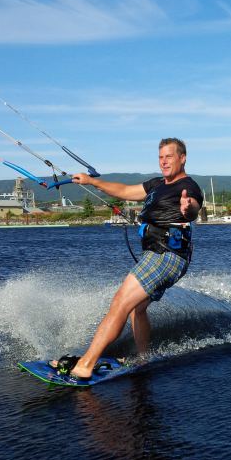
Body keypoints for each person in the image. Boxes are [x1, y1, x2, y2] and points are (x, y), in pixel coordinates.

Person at [52, 137, 203, 379]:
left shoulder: (188, 187)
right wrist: (92, 182)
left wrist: (189, 208)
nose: (164, 161)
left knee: (120, 302)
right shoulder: (156, 184)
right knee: (137, 308)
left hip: (166, 255)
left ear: (182, 158)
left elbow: (193, 207)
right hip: (159, 256)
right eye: (161, 157)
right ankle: (144, 359)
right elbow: (123, 191)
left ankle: (86, 364)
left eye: (169, 156)